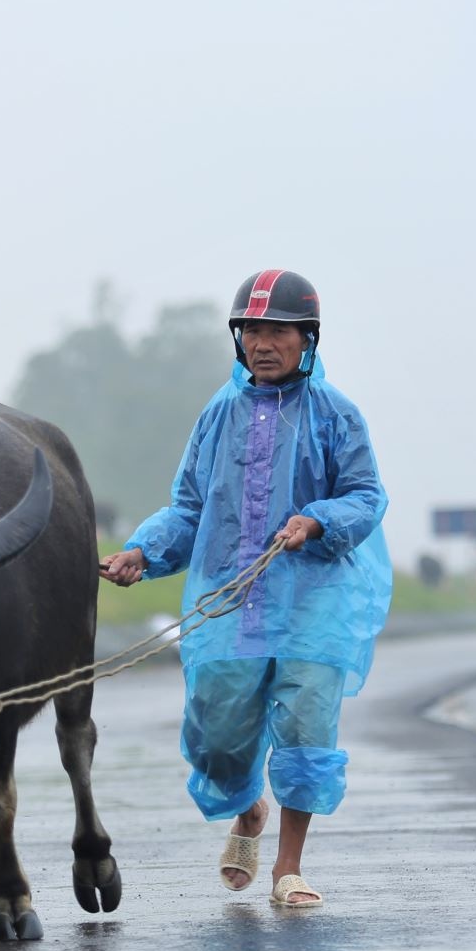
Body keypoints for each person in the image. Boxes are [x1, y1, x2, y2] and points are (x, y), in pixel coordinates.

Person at [99, 269, 391, 908]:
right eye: (252, 329)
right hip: (231, 603)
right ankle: (246, 808)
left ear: (306, 338)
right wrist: (142, 554)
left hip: (316, 601)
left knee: (307, 730)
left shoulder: (336, 414)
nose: (263, 342)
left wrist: (319, 520)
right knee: (218, 739)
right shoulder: (218, 414)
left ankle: (289, 868)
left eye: (278, 330)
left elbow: (366, 495)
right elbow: (189, 506)